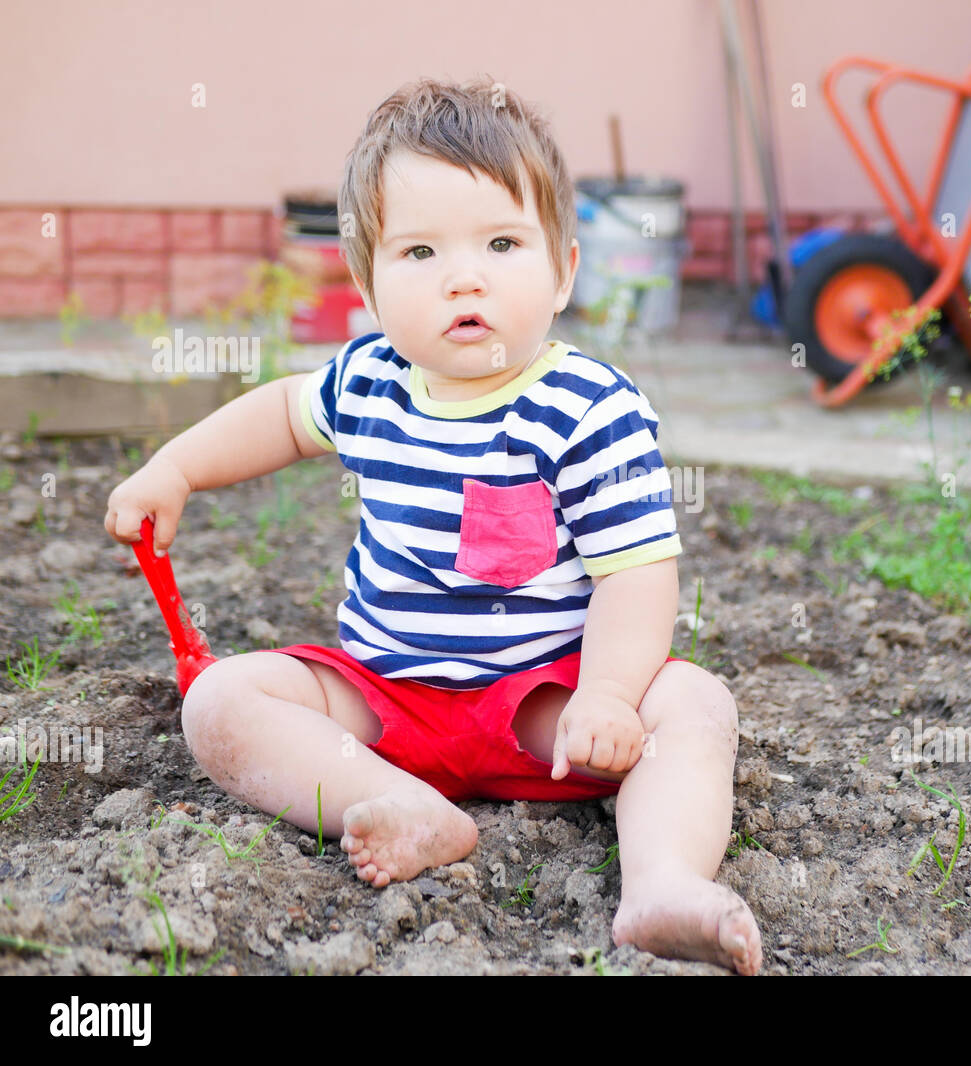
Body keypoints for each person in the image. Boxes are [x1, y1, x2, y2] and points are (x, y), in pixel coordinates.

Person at [104, 76, 761, 975]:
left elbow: (635, 574)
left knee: (692, 705)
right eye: (419, 252)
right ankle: (402, 805)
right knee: (220, 701)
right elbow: (278, 417)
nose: (465, 275)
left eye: (501, 242)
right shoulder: (368, 378)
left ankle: (663, 881)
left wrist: (607, 697)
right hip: (384, 704)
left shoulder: (586, 407)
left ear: (565, 270)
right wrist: (174, 467)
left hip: (546, 714)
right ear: (368, 287)